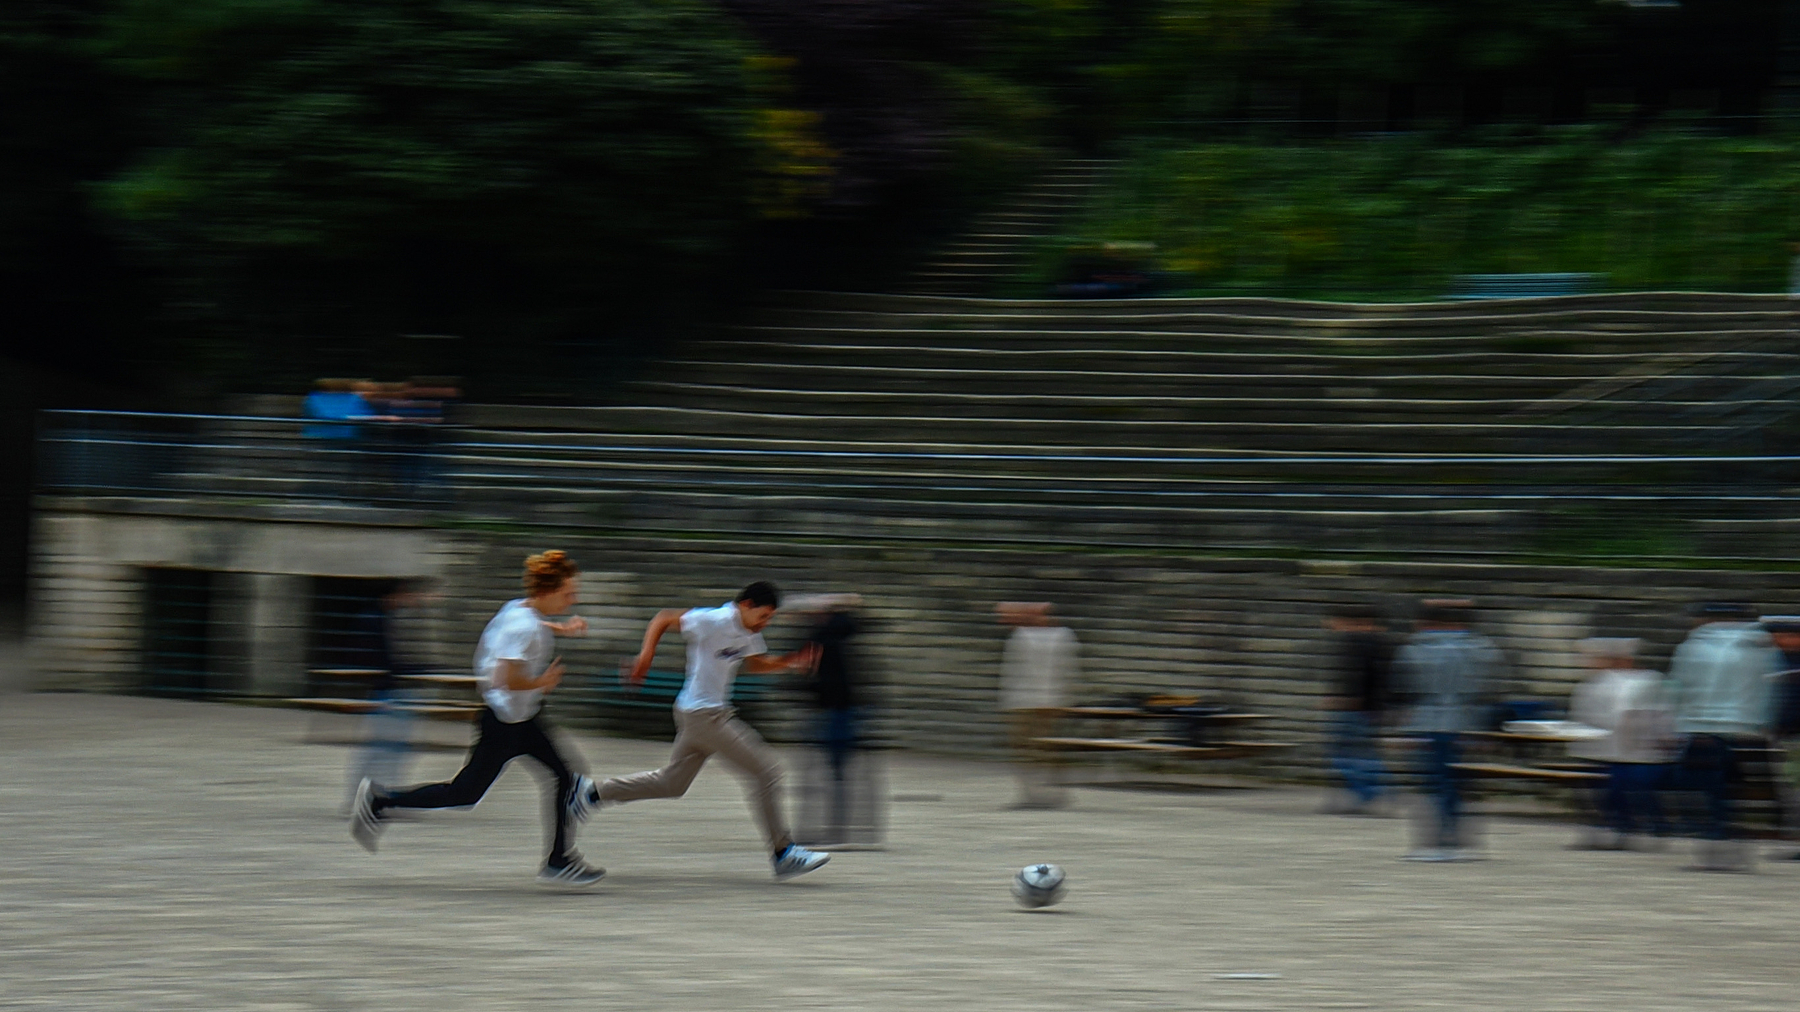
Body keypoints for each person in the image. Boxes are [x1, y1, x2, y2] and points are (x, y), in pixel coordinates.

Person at [349, 550, 604, 887]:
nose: (574, 599)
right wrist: (542, 682)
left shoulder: (520, 609)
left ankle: (559, 859)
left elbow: (528, 630)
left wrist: (562, 627)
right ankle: (381, 800)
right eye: (569, 593)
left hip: (521, 718)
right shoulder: (521, 627)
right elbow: (504, 678)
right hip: (506, 723)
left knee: (565, 776)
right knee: (465, 793)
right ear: (548, 590)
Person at [573, 581, 831, 880]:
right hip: (705, 715)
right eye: (763, 615)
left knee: (672, 784)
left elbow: (755, 665)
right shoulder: (712, 620)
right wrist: (645, 658)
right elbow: (663, 619)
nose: (765, 623)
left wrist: (789, 662)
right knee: (767, 771)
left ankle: (590, 794)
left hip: (699, 713)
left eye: (770, 618)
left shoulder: (748, 632)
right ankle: (783, 852)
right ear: (746, 605)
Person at [1669, 602, 1781, 871]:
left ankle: (1715, 840)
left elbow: (1680, 687)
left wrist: (1679, 723)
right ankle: (1730, 839)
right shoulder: (1761, 647)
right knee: (1735, 789)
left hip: (1704, 728)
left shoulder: (1694, 646)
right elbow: (1770, 689)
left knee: (1701, 788)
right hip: (1748, 729)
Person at [1394, 599, 1501, 862]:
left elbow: (1403, 690)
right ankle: (1458, 839)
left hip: (1427, 721)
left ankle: (1438, 840)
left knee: (1433, 782)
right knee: (1461, 783)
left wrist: (1402, 728)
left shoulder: (1415, 648)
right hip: (1468, 722)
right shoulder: (1482, 648)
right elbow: (1491, 689)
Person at [1564, 638, 1675, 849]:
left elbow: (1634, 717)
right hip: (1602, 750)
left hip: (1638, 753)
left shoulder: (1648, 681)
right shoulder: (1595, 684)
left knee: (1623, 780)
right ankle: (1617, 826)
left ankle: (1634, 825)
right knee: (1599, 780)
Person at [339, 578, 434, 814]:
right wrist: (420, 670)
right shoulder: (375, 619)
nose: (407, 600)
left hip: (385, 691)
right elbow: (385, 661)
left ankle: (367, 798)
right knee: (386, 750)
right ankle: (376, 800)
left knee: (383, 749)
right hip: (387, 693)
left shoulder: (377, 617)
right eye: (403, 595)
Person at [799, 594, 867, 847]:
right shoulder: (833, 635)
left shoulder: (828, 636)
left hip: (835, 710)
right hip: (835, 709)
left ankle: (836, 829)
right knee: (834, 772)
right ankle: (835, 827)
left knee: (834, 772)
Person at [997, 602, 1079, 809]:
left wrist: (1062, 700)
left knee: (1045, 750)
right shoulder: (1021, 636)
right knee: (1025, 750)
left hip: (1046, 702)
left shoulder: (1061, 636)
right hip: (1023, 702)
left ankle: (1052, 794)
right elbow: (1013, 671)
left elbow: (1066, 670)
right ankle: (1032, 794)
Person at [1320, 604, 1393, 816]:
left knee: (1348, 754)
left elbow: (1359, 676)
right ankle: (1370, 794)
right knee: (1359, 754)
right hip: (1367, 708)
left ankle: (1372, 793)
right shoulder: (1377, 642)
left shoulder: (1358, 642)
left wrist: (1347, 700)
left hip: (1355, 708)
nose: (1330, 625)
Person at [1763, 616, 1800, 857]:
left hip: (1793, 737)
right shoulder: (1780, 661)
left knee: (1794, 791)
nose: (1774, 640)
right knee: (1789, 792)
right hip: (1786, 736)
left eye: (1779, 635)